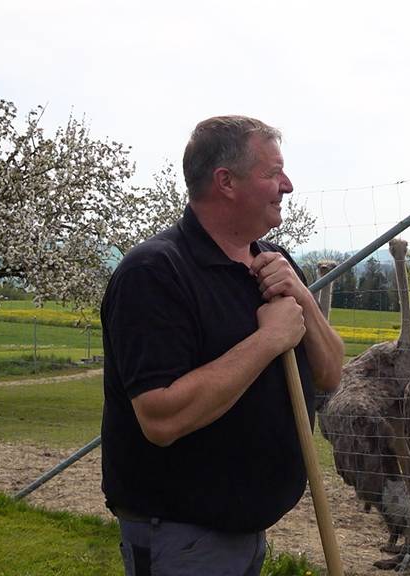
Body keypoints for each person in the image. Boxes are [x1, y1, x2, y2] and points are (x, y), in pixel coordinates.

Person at [100, 115, 344, 576]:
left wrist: (304, 299)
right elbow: (160, 417)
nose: (287, 185)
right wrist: (268, 340)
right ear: (225, 182)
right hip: (180, 536)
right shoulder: (154, 273)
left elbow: (330, 372)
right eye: (273, 173)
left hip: (245, 533)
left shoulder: (273, 264)